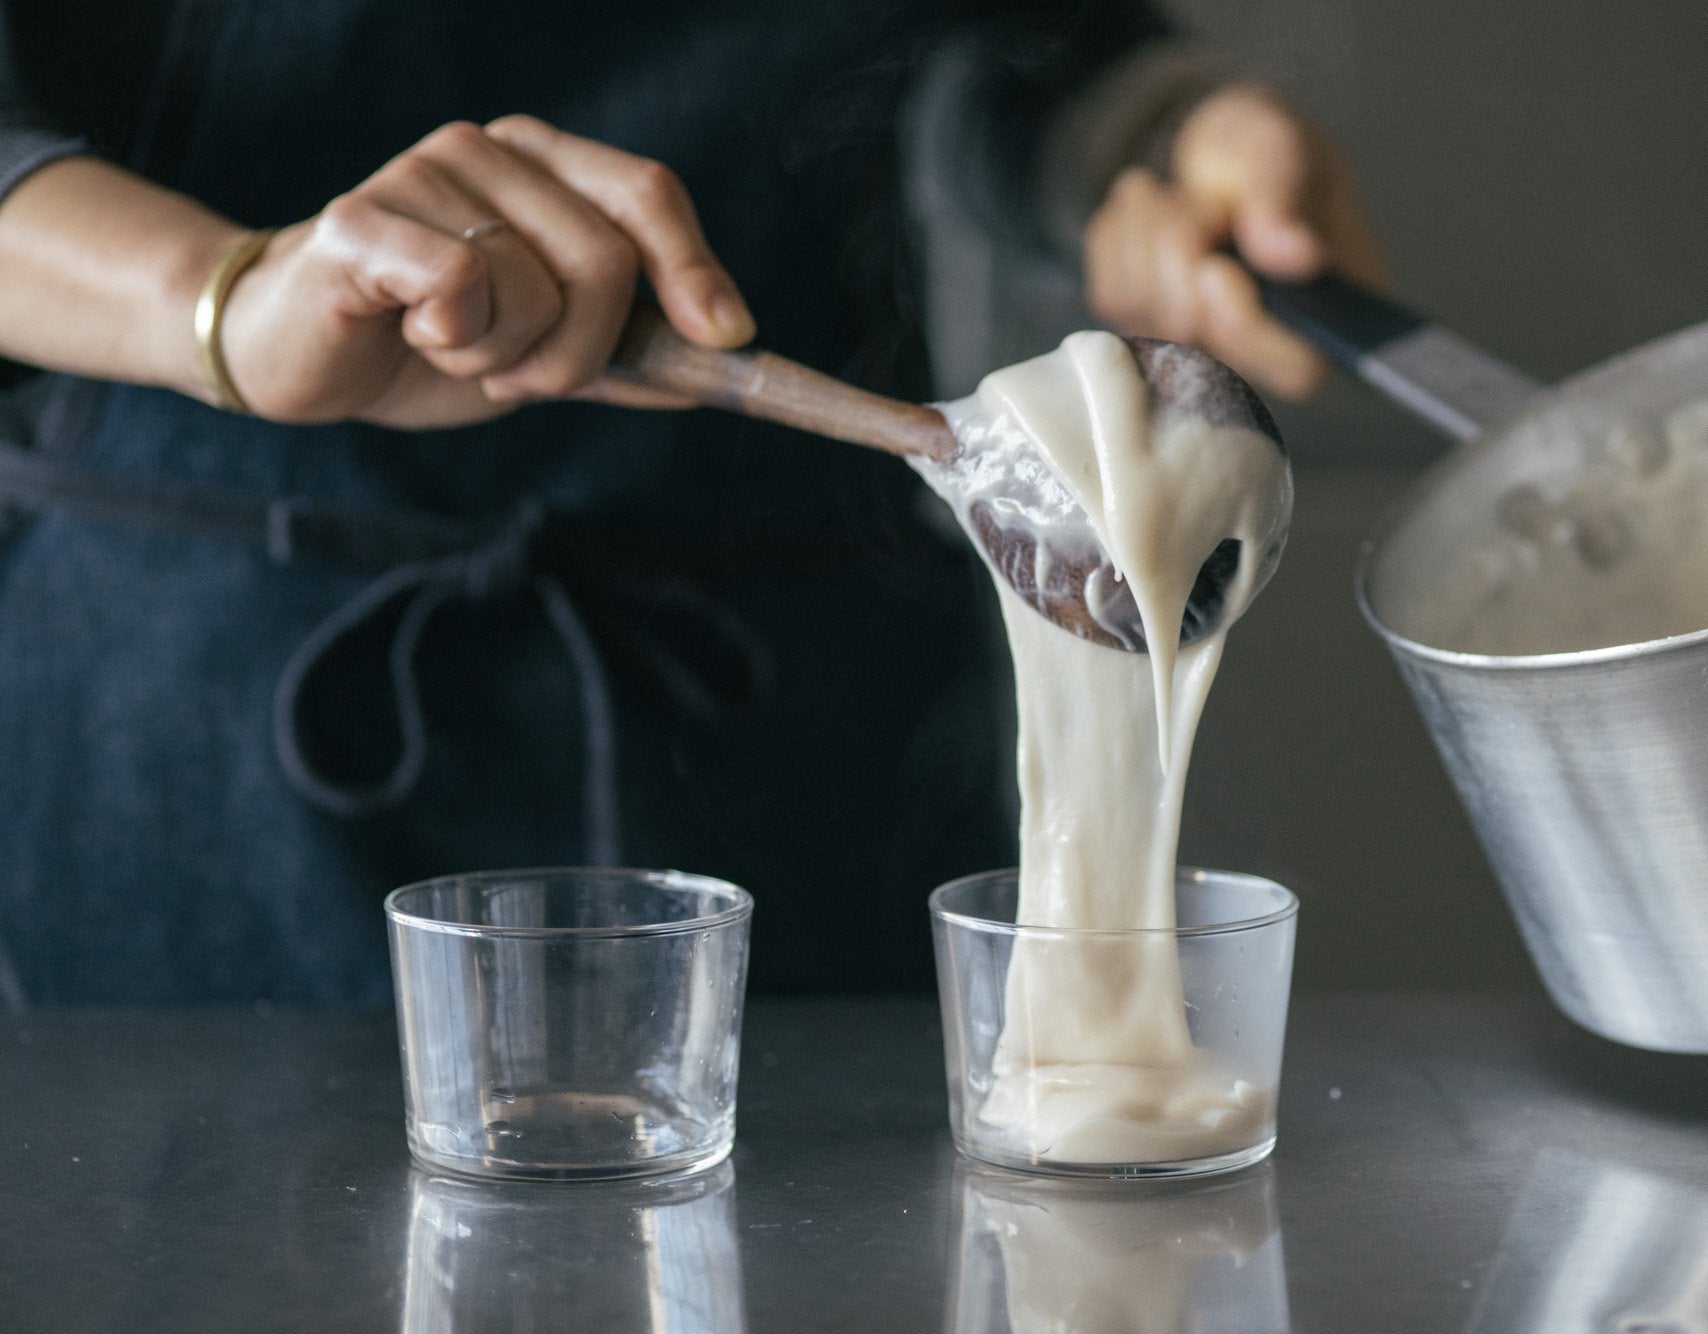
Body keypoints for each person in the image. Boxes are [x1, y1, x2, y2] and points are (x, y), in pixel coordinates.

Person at [0, 0, 1384, 1007]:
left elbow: (976, 48)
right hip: (218, 717)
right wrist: (224, 297)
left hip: (804, 704)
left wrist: (1140, 137)